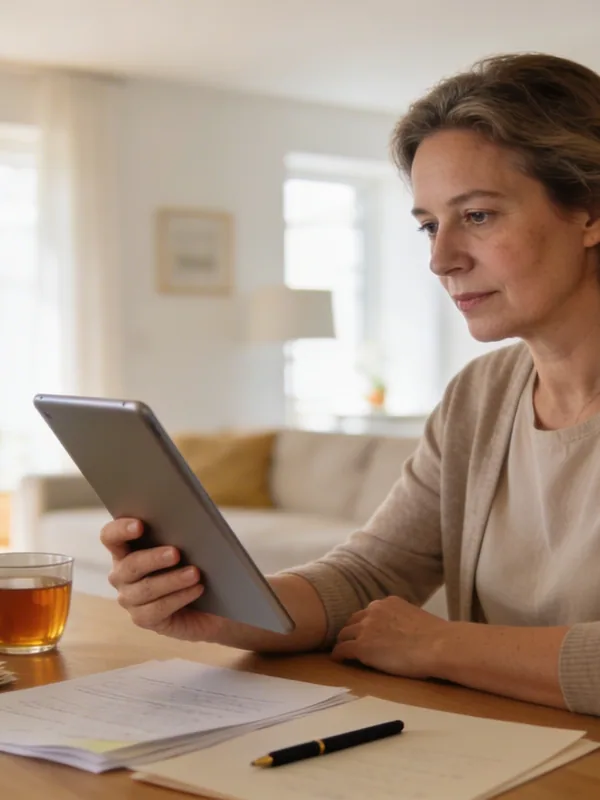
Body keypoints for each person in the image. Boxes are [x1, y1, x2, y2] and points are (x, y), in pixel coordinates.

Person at [101, 52, 600, 717]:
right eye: (429, 224)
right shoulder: (479, 397)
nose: (440, 258)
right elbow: (370, 575)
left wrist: (441, 646)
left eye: (477, 216)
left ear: (590, 211)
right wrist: (223, 608)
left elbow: (421, 635)